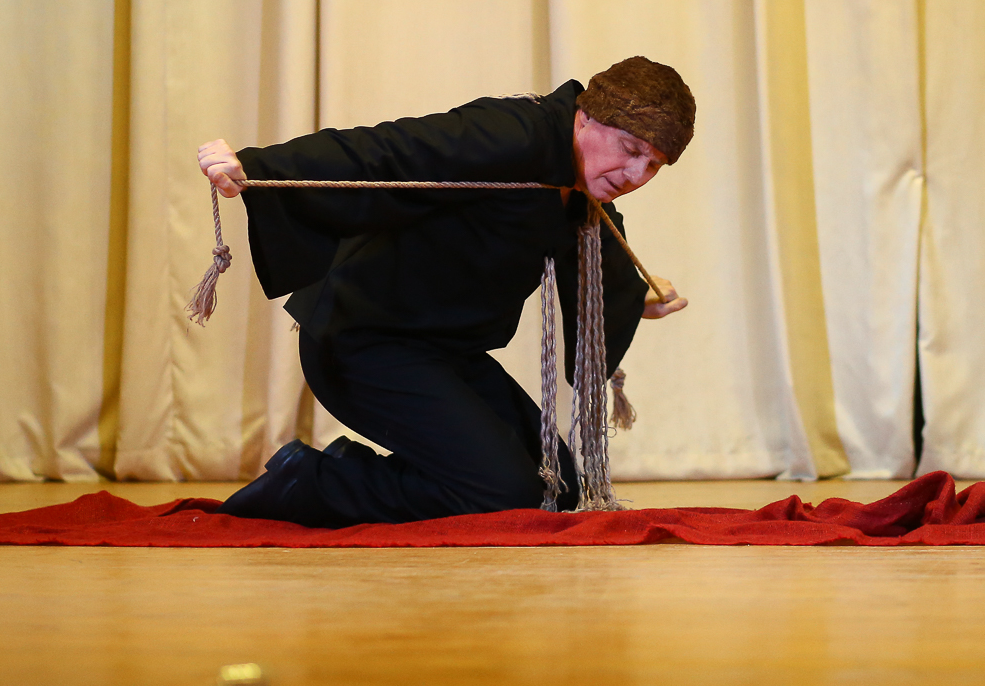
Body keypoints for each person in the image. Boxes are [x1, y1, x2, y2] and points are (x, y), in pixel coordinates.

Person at [197, 56, 695, 527]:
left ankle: (362, 471)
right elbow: (389, 153)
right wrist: (258, 169)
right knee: (504, 496)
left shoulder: (583, 188)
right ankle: (310, 482)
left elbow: (600, 247)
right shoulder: (511, 134)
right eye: (631, 151)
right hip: (363, 341)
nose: (636, 176)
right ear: (585, 118)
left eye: (654, 165)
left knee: (556, 488)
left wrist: (636, 297)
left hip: (447, 353)